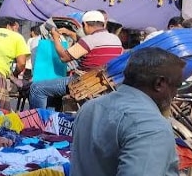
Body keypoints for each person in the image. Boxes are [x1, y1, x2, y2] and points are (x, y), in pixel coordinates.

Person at [71, 48, 184, 176]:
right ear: (159, 83)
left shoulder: (90, 106)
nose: (176, 94)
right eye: (177, 86)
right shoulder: (152, 126)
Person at [29, 10, 123, 110]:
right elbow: (87, 45)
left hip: (81, 82)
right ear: (103, 24)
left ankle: (38, 121)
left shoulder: (89, 40)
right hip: (101, 82)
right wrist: (70, 33)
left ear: (85, 24)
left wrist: (55, 38)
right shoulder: (115, 40)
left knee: (36, 88)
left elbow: (64, 57)